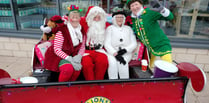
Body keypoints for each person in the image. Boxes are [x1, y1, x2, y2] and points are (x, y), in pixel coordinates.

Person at [126, 0, 174, 67]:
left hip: (161, 44)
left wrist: (162, 10)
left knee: (167, 66)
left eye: (136, 4)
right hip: (148, 47)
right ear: (130, 8)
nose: (135, 7)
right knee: (148, 67)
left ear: (141, 4)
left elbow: (170, 17)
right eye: (132, 6)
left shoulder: (149, 12)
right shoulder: (133, 19)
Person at [44, 5, 84, 82]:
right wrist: (69, 59)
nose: (75, 20)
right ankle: (61, 87)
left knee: (78, 69)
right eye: (73, 17)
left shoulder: (81, 31)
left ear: (79, 19)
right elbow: (57, 50)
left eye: (77, 17)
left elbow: (82, 47)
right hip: (57, 56)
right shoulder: (62, 31)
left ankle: (70, 85)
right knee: (67, 69)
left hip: (72, 54)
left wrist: (79, 56)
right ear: (69, 19)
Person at [104, 8, 137, 79]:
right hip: (112, 53)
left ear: (124, 19)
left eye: (121, 17)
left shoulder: (128, 29)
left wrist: (125, 50)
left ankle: (124, 83)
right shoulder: (110, 28)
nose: (119, 19)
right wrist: (115, 53)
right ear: (114, 19)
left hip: (126, 53)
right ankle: (113, 83)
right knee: (112, 63)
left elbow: (134, 43)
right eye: (117, 17)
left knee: (122, 63)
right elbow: (107, 44)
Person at [80, 6, 110, 80]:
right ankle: (90, 84)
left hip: (100, 50)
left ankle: (98, 82)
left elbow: (117, 25)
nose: (96, 19)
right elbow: (73, 20)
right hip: (86, 51)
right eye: (94, 17)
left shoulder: (105, 25)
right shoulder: (84, 23)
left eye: (98, 17)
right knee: (86, 64)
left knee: (103, 62)